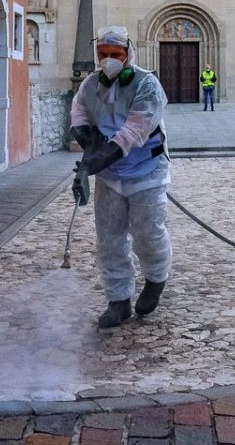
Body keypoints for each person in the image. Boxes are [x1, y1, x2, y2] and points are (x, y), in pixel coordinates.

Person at [69, 25, 171, 329]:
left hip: (147, 173)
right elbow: (79, 114)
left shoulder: (147, 85)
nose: (109, 59)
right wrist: (87, 149)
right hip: (110, 176)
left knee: (147, 233)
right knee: (109, 239)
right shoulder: (90, 85)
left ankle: (155, 278)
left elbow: (131, 134)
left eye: (116, 54)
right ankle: (118, 300)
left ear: (129, 55)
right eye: (103, 54)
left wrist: (93, 164)